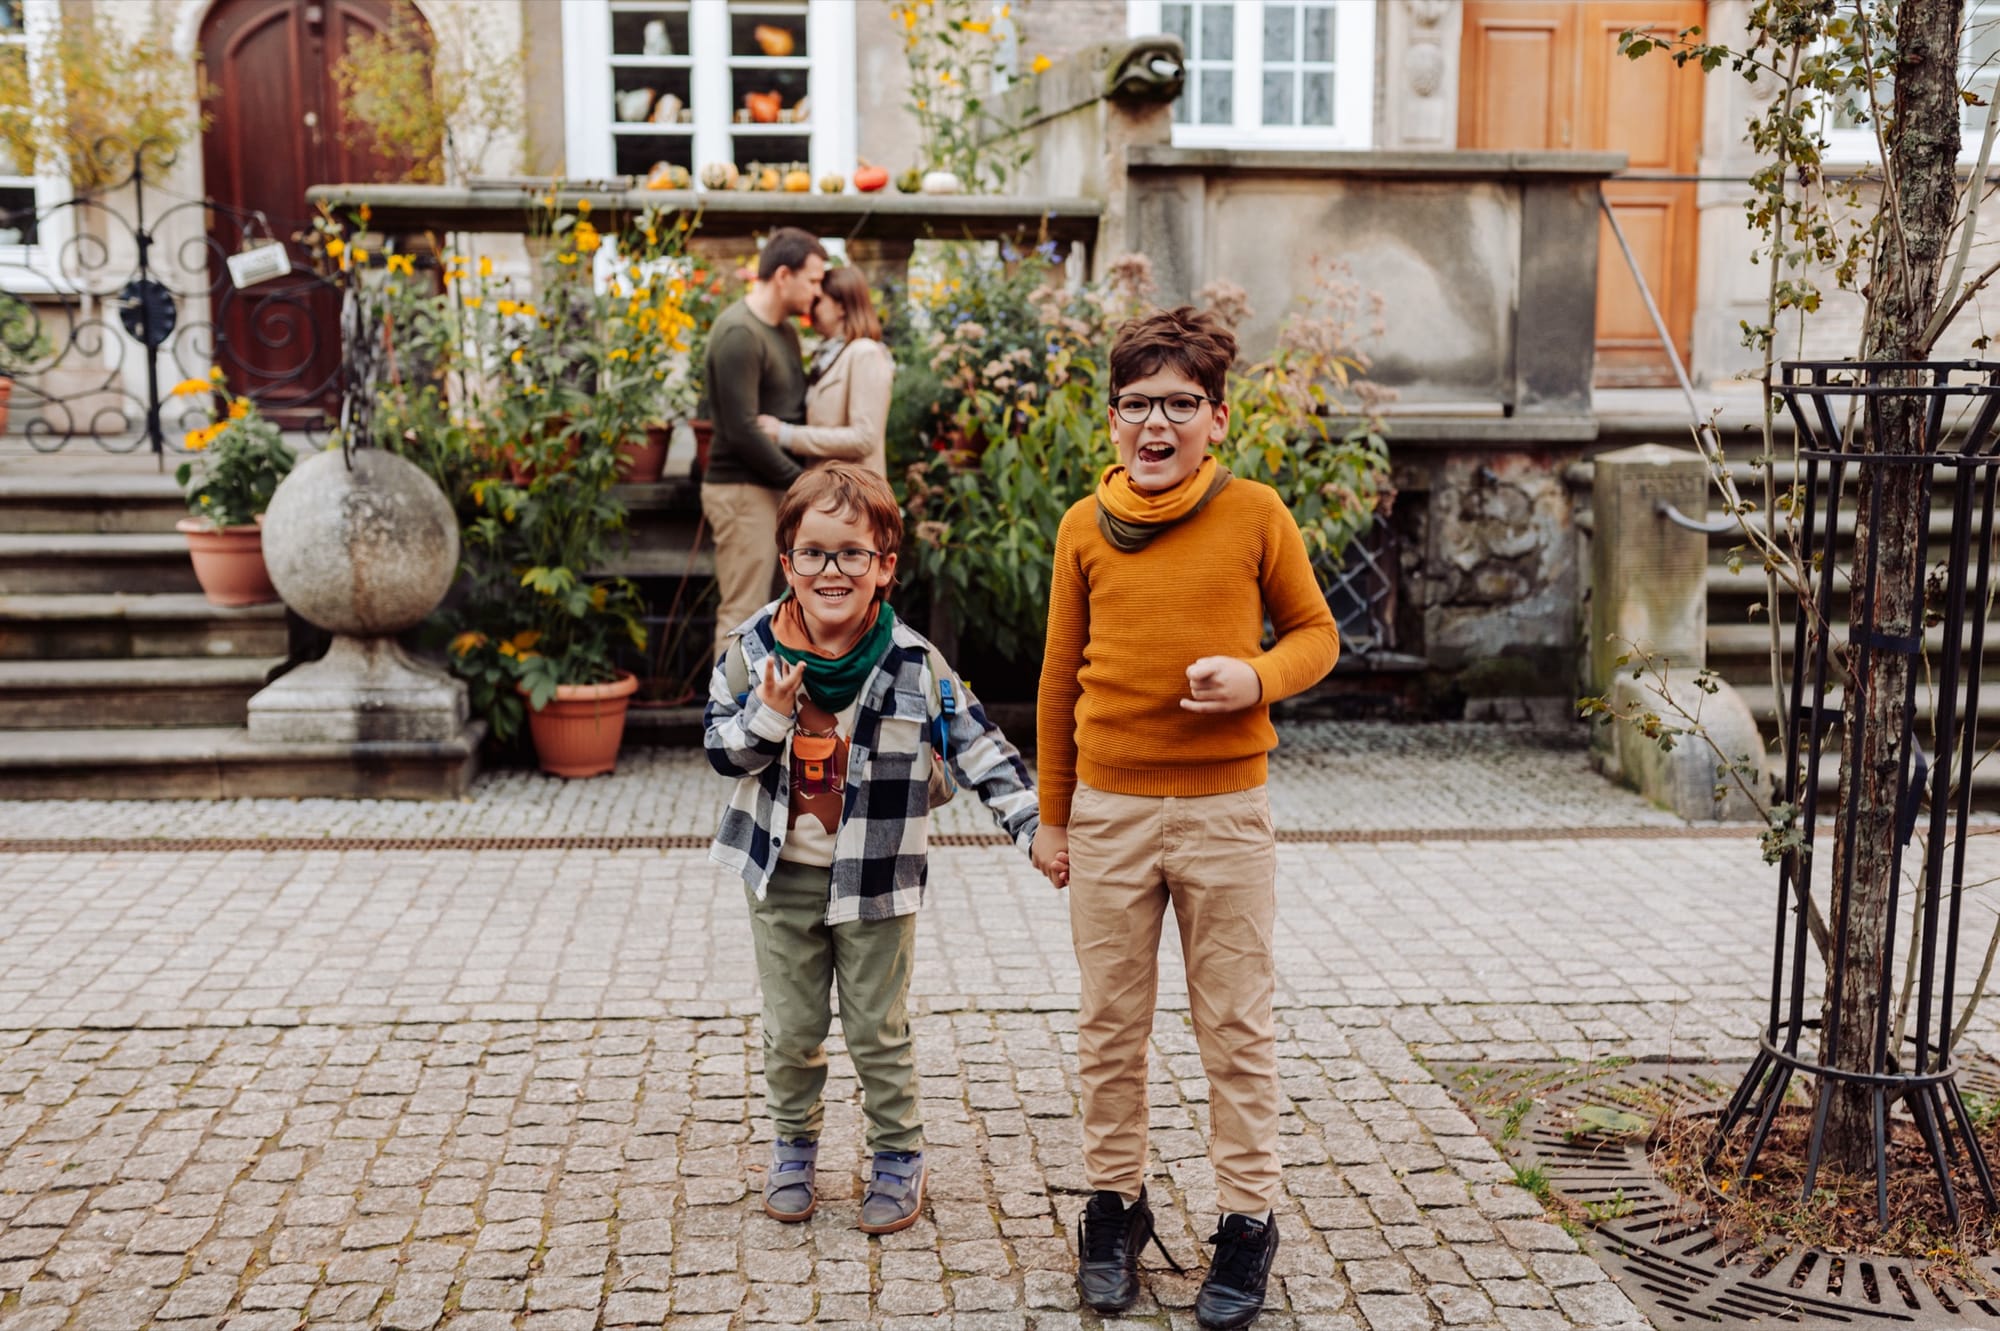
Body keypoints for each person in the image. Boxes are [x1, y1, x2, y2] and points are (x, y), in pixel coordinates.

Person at [1029, 307, 1341, 1328]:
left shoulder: (1254, 513)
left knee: (1234, 1027)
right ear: (1110, 418)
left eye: (1175, 404)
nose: (1152, 423)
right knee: (1108, 1024)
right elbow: (1053, 680)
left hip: (1224, 813)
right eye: (1133, 404)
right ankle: (1112, 1205)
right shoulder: (1084, 524)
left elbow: (1314, 633)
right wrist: (1053, 814)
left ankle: (1245, 1220)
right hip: (1110, 811)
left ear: (1214, 418)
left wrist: (1253, 677)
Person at [703, 462, 1045, 1235]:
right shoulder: (750, 651)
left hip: (879, 879)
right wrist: (766, 715)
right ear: (786, 559)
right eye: (815, 552)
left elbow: (980, 746)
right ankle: (794, 1145)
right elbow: (721, 751)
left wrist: (1032, 826)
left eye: (852, 553)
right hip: (780, 875)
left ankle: (898, 1152)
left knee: (876, 1029)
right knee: (791, 1029)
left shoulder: (917, 663)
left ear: (884, 565)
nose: (832, 570)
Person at [701, 226, 827, 662]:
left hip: (776, 490)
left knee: (780, 616)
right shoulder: (740, 333)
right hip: (742, 491)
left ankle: (768, 723)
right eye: (812, 280)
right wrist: (804, 484)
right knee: (743, 613)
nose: (818, 291)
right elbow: (741, 429)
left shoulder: (785, 333)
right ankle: (725, 725)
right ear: (783, 276)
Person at [757, 266, 894, 477]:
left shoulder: (864, 353)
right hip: (829, 490)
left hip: (855, 495)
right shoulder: (828, 355)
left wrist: (787, 435)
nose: (810, 308)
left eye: (818, 301)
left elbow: (865, 438)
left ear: (841, 307)